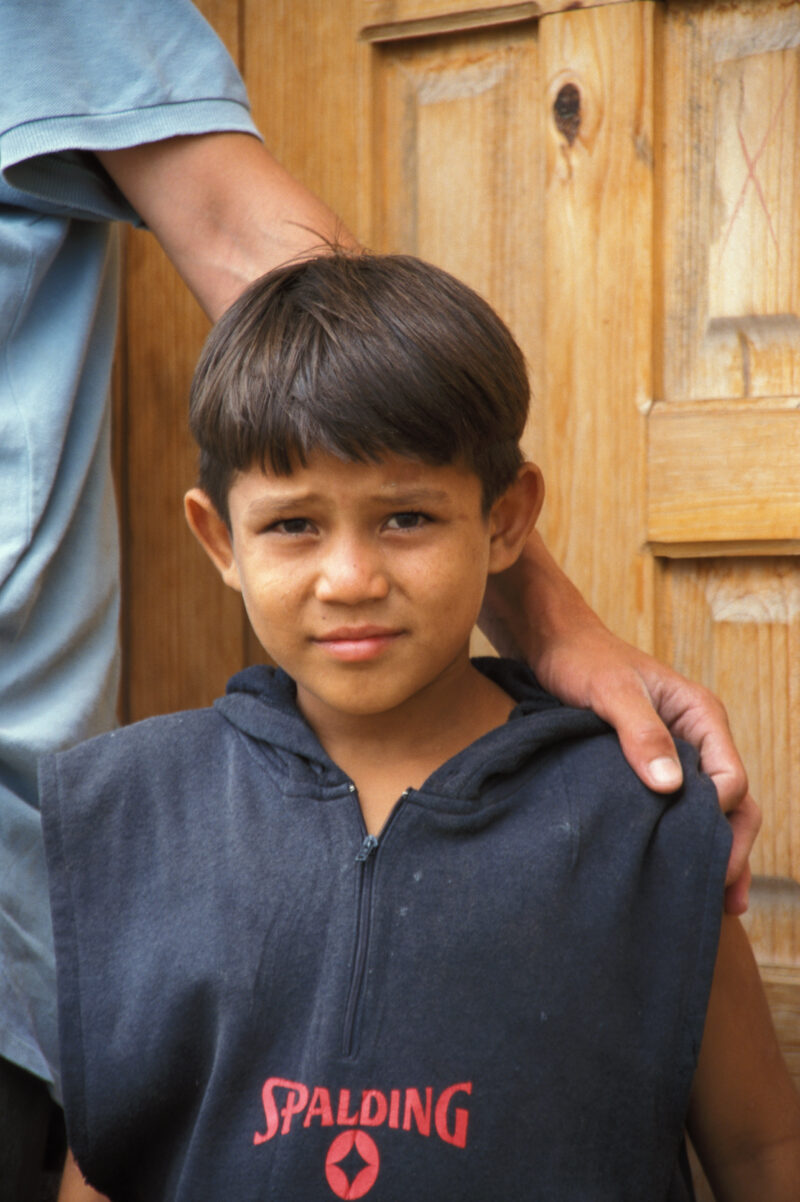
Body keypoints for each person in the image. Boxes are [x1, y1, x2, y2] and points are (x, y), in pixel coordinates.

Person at [0, 2, 758, 1197]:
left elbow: (761, 1145)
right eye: (293, 525)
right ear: (218, 538)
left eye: (405, 516)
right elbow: (115, 1149)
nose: (350, 576)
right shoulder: (128, 812)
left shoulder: (635, 812)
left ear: (505, 517)